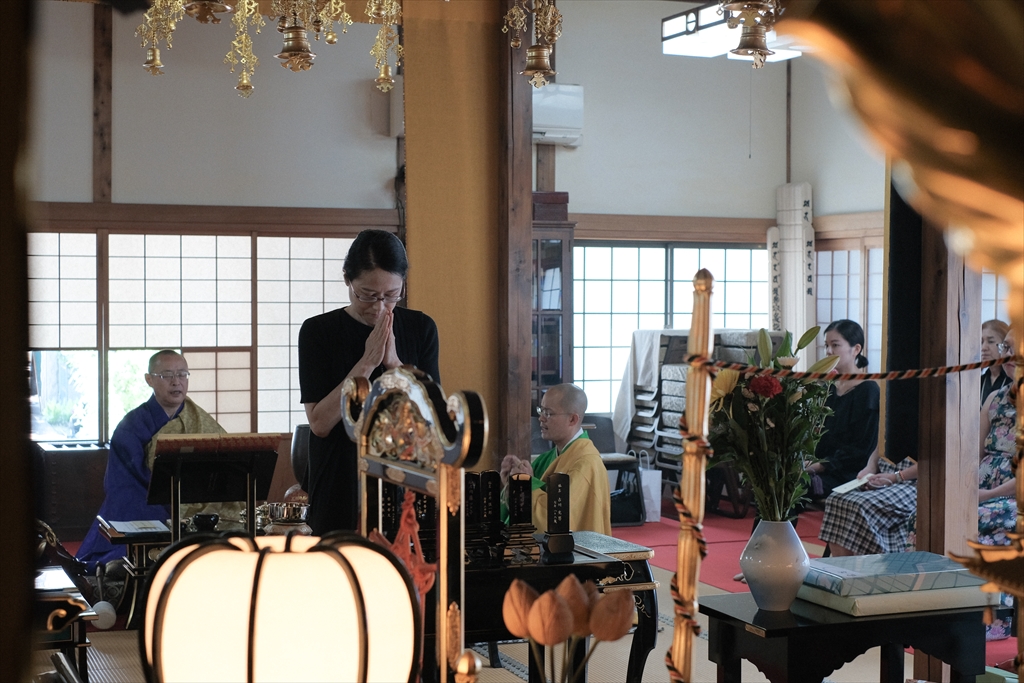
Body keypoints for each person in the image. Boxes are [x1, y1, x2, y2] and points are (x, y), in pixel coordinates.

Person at [299, 230, 439, 536]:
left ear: (403, 285)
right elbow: (320, 423)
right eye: (367, 295)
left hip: (404, 481)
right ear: (347, 280)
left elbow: (430, 420)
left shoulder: (421, 328)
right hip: (339, 480)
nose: (379, 306)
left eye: (391, 295)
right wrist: (366, 363)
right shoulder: (317, 332)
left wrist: (394, 363)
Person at [76, 350, 226, 573]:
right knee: (139, 537)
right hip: (144, 499)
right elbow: (125, 482)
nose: (176, 382)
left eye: (182, 374)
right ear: (149, 379)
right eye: (167, 375)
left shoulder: (199, 420)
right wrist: (172, 499)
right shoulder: (131, 426)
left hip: (195, 498)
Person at [500, 384, 612, 535]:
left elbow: (559, 521)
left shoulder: (586, 464)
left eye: (548, 413)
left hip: (576, 549)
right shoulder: (546, 459)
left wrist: (526, 486)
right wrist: (512, 485)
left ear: (572, 419)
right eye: (541, 410)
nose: (541, 418)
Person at [805, 320, 880, 498]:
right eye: (826, 345)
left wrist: (821, 465)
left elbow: (862, 448)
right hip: (817, 466)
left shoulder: (868, 390)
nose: (829, 351)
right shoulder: (828, 388)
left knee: (791, 488)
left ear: (856, 349)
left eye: (835, 345)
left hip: (846, 473)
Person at [980, 319, 1011, 404]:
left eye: (990, 341)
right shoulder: (979, 381)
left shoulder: (1013, 380)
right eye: (981, 342)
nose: (983, 348)